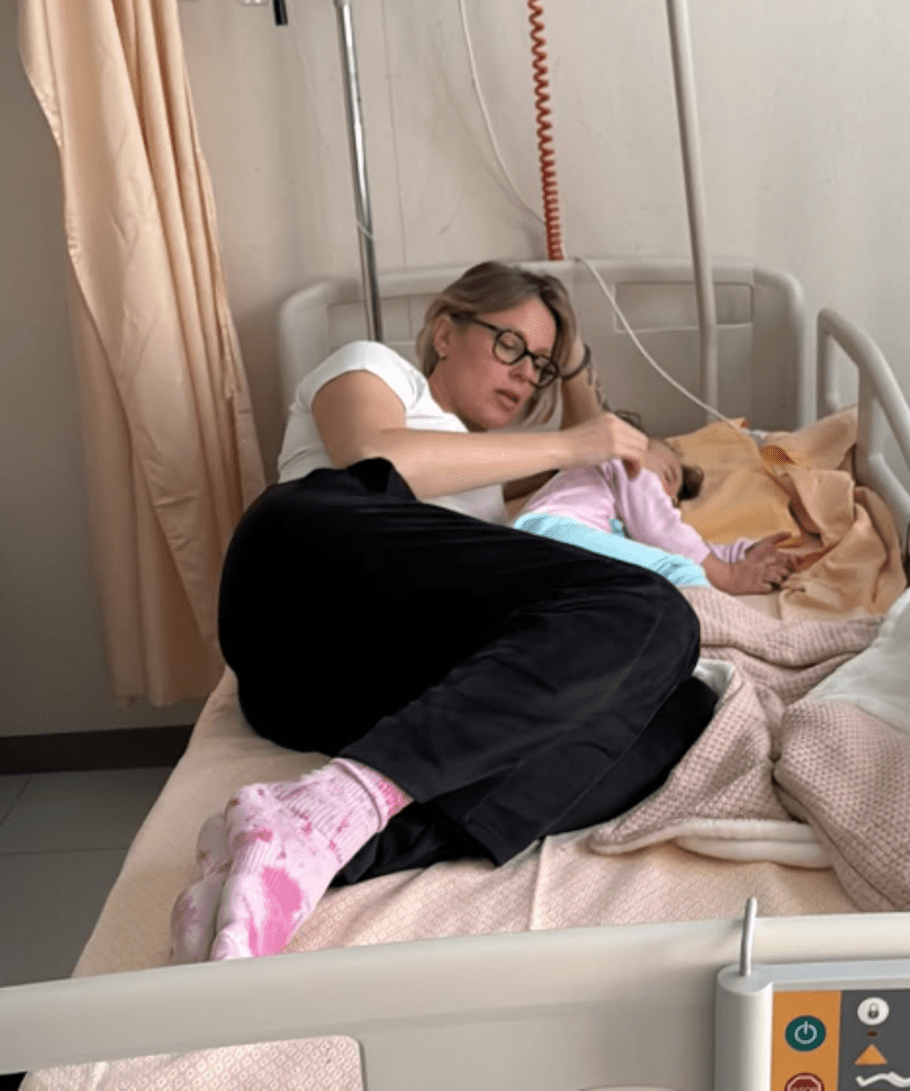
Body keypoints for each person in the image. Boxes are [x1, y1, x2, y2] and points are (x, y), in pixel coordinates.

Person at [170, 261, 723, 964]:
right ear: (444, 332)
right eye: (510, 346)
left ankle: (314, 846)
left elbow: (598, 453)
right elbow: (374, 454)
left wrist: (575, 369)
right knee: (654, 611)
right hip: (301, 581)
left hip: (365, 688)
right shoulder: (375, 368)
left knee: (674, 712)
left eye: (542, 367)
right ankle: (335, 813)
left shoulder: (496, 481)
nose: (525, 376)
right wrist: (569, 443)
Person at [512, 412, 797, 592]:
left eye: (673, 503)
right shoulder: (622, 458)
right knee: (682, 575)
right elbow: (663, 532)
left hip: (543, 561)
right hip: (548, 534)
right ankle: (736, 637)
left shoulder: (621, 517)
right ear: (634, 440)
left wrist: (742, 552)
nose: (665, 498)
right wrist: (729, 574)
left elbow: (674, 542)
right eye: (668, 475)